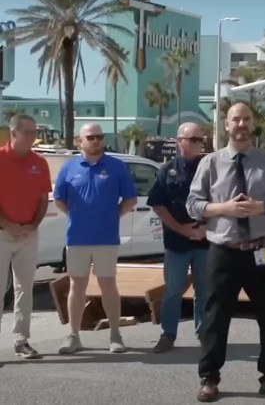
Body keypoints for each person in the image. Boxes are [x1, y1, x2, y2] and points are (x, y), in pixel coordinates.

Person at [186, 102, 265, 402]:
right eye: (236, 119)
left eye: (246, 119)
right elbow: (193, 205)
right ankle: (209, 378)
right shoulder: (210, 163)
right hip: (224, 250)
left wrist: (264, 207)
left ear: (253, 123)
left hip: (262, 250)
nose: (241, 124)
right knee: (215, 318)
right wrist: (225, 208)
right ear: (226, 124)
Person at [53, 123, 138, 354]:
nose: (96, 141)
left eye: (99, 137)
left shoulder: (116, 167)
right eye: (90, 137)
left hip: (106, 238)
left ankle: (115, 335)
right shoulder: (69, 168)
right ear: (80, 141)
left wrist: (114, 215)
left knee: (108, 285)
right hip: (77, 238)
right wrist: (75, 216)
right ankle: (73, 336)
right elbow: (59, 198)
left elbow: (130, 199)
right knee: (76, 285)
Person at [146, 122, 209, 353]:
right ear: (179, 141)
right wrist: (181, 230)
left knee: (204, 290)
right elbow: (158, 205)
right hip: (176, 243)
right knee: (173, 290)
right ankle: (168, 335)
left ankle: (204, 333)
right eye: (192, 139)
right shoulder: (167, 170)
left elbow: (221, 202)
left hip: (205, 242)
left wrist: (206, 228)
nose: (198, 144)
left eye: (200, 139)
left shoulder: (208, 168)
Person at [0, 114, 51, 359]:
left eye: (34, 132)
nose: (33, 136)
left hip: (28, 235)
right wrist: (6, 224)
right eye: (28, 132)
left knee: (25, 289)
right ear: (14, 134)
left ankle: (22, 340)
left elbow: (43, 199)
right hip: (1, 234)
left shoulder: (39, 162)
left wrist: (33, 225)